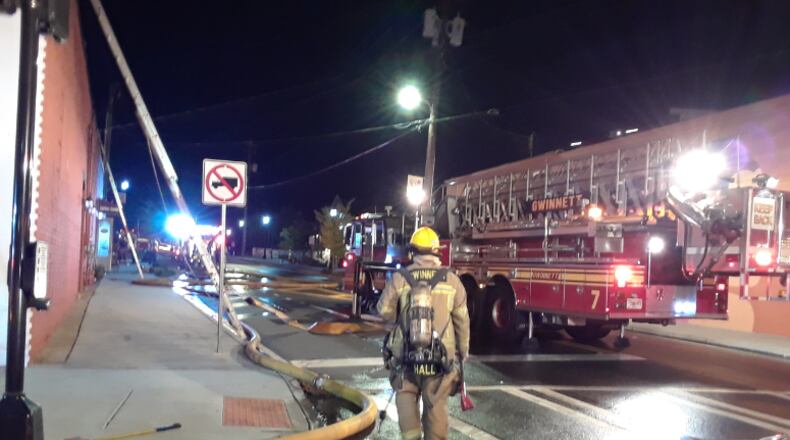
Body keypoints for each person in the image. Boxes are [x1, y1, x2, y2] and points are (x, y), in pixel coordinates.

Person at [377, 226, 470, 440]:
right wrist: (463, 351)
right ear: (437, 251)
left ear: (414, 252)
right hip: (440, 361)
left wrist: (397, 319)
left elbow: (383, 311)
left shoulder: (400, 277)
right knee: (436, 410)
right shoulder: (452, 280)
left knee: (406, 401)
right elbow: (462, 320)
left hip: (405, 358)